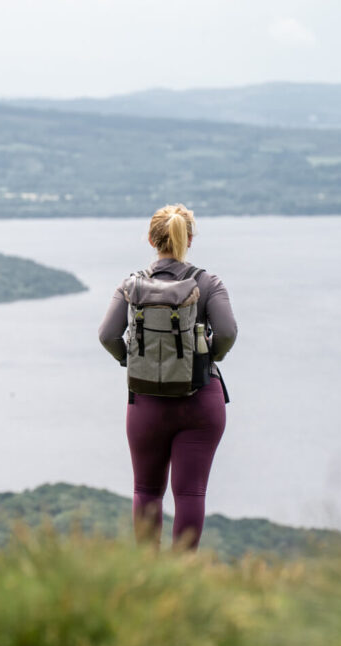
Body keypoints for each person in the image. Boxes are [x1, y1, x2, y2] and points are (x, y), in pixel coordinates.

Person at [98, 204, 237, 550]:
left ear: (150, 239)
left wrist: (131, 362)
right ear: (188, 239)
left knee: (146, 490)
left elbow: (107, 335)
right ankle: (183, 577)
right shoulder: (207, 283)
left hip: (146, 402)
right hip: (200, 398)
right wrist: (207, 358)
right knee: (190, 492)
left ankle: (148, 579)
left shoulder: (132, 286)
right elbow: (228, 332)